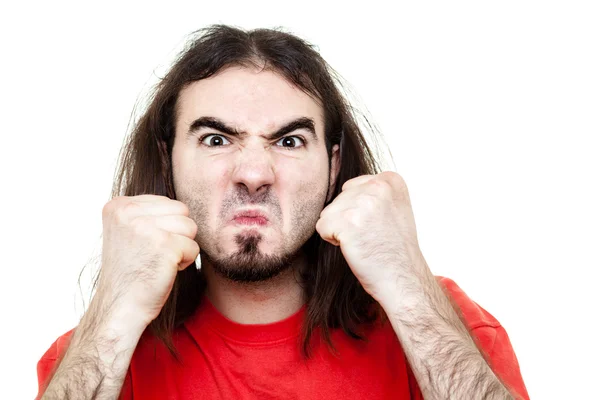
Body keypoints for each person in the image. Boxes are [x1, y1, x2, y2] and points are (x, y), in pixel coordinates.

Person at [36, 25, 529, 400]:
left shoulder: (446, 326)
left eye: (289, 141)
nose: (254, 173)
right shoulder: (94, 353)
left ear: (333, 166)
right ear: (168, 162)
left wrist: (409, 289)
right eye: (216, 139)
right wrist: (112, 315)